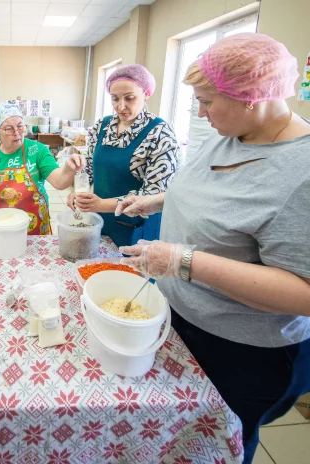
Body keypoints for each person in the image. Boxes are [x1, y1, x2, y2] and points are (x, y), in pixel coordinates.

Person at [117, 34, 310, 464]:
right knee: (176, 435)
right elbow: (215, 192)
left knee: (220, 441)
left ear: (251, 98)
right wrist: (159, 199)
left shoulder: (302, 173)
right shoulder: (230, 135)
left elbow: (305, 292)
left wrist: (184, 261)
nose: (199, 113)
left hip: (244, 351)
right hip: (184, 321)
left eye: (206, 101)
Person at [67, 64, 180, 247]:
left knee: (132, 272)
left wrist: (102, 204)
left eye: (129, 98)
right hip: (102, 220)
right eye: (115, 99)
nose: (121, 107)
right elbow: (89, 167)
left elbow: (155, 193)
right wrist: (79, 190)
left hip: (138, 226)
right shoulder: (102, 126)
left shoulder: (160, 134)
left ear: (146, 94)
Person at [0, 102, 86, 235]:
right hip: (0, 228)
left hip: (35, 230)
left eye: (20, 126)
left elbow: (59, 181)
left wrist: (68, 168)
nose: (16, 133)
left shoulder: (37, 150)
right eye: (9, 128)